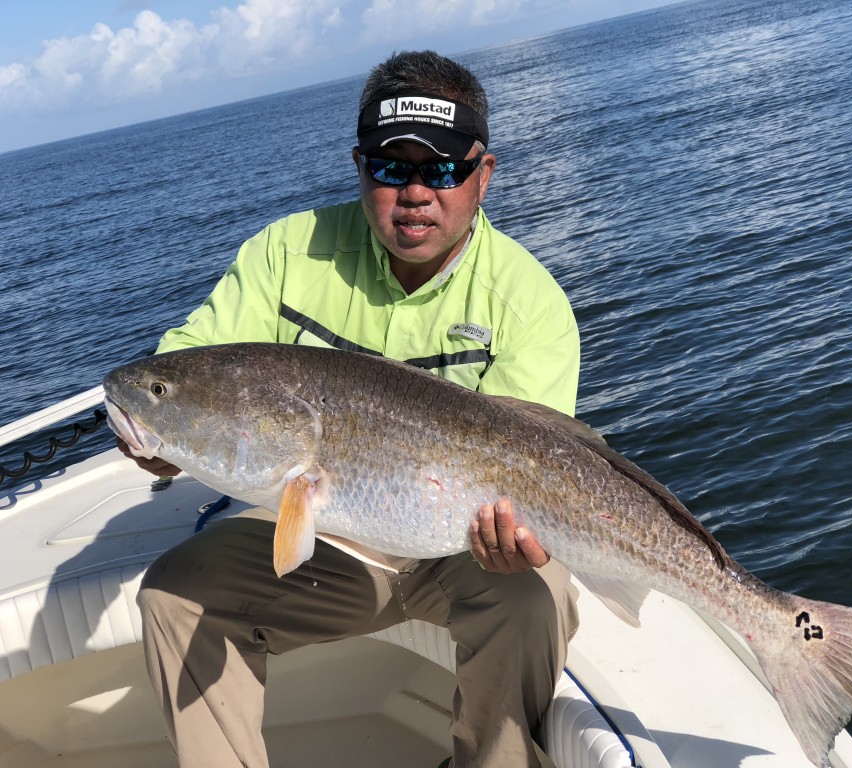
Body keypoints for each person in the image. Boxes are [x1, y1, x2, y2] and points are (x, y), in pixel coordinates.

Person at [119, 50, 581, 768]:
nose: (416, 193)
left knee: (532, 598)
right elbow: (185, 361)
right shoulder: (284, 253)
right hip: (321, 540)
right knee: (175, 598)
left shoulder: (530, 304)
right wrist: (158, 433)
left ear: (483, 175)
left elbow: (540, 474)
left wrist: (517, 538)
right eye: (391, 168)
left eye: (444, 169)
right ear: (360, 167)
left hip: (459, 552)